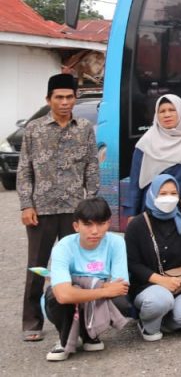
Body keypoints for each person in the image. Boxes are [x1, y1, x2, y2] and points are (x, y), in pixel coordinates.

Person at [18, 73, 100, 342]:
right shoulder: (34, 129)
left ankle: (77, 320)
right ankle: (32, 322)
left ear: (76, 98)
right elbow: (24, 170)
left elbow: (91, 166)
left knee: (76, 266)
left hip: (75, 210)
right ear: (48, 99)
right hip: (41, 210)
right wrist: (26, 205)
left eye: (69, 97)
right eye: (59, 97)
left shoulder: (84, 128)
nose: (64, 102)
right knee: (37, 266)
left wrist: (91, 204)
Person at [42, 197, 130, 362]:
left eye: (101, 224)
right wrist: (103, 288)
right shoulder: (63, 247)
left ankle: (90, 334)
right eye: (88, 225)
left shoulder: (117, 242)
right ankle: (64, 340)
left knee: (121, 302)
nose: (95, 231)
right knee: (55, 298)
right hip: (72, 299)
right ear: (76, 226)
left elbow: (120, 287)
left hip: (88, 297)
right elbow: (63, 295)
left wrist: (79, 286)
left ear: (108, 223)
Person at [124, 174, 181, 341]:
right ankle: (148, 327)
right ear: (152, 194)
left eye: (173, 193)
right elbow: (132, 263)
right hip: (147, 285)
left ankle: (160, 322)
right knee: (160, 300)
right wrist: (160, 280)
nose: (169, 198)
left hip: (180, 285)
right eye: (163, 193)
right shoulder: (137, 225)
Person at [125, 95, 181, 224]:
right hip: (153, 209)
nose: (167, 115)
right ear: (156, 115)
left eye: (172, 110)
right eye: (162, 111)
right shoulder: (146, 143)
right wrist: (132, 214)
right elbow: (135, 182)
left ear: (180, 112)